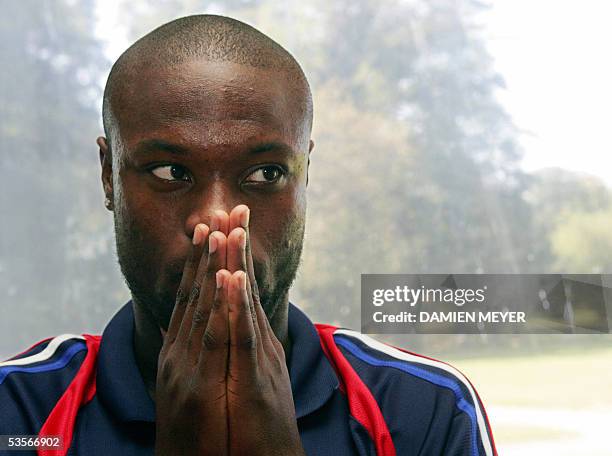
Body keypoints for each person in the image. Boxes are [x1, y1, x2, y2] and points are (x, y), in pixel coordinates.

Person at [0, 15, 497, 456]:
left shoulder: (423, 410)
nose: (216, 221)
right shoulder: (17, 414)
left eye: (265, 174)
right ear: (109, 175)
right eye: (171, 172)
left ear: (303, 176)